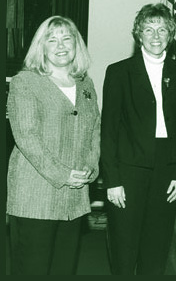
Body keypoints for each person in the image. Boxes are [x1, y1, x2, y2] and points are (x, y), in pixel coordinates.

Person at [100, 3, 176, 275]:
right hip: (128, 172)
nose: (155, 36)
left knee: (157, 247)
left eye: (162, 29)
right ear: (138, 34)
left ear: (170, 36)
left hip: (167, 172)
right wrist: (113, 180)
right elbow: (109, 131)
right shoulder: (118, 72)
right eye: (149, 29)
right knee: (124, 248)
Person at [7, 15, 100, 275]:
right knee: (32, 271)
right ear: (41, 46)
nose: (61, 45)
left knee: (63, 270)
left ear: (76, 45)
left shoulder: (86, 84)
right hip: (34, 197)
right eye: (52, 39)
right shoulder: (25, 82)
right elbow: (27, 137)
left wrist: (91, 168)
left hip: (73, 199)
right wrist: (63, 174)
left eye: (67, 38)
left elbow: (95, 130)